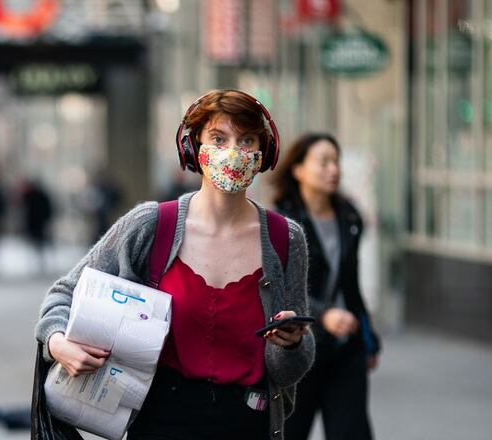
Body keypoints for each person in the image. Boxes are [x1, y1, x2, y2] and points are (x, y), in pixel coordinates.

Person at [35, 89, 315, 439]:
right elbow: (63, 295)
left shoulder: (285, 239)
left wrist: (289, 344)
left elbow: (290, 370)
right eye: (218, 138)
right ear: (193, 148)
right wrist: (57, 343)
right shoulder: (151, 225)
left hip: (247, 422)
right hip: (160, 419)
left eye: (246, 140)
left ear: (262, 155)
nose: (233, 151)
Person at [272, 133, 381, 440]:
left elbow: (351, 283)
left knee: (352, 432)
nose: (333, 169)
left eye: (336, 161)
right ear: (298, 170)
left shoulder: (348, 216)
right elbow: (278, 287)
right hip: (299, 345)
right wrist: (323, 315)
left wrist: (369, 338)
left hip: (345, 346)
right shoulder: (281, 222)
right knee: (289, 431)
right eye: (323, 162)